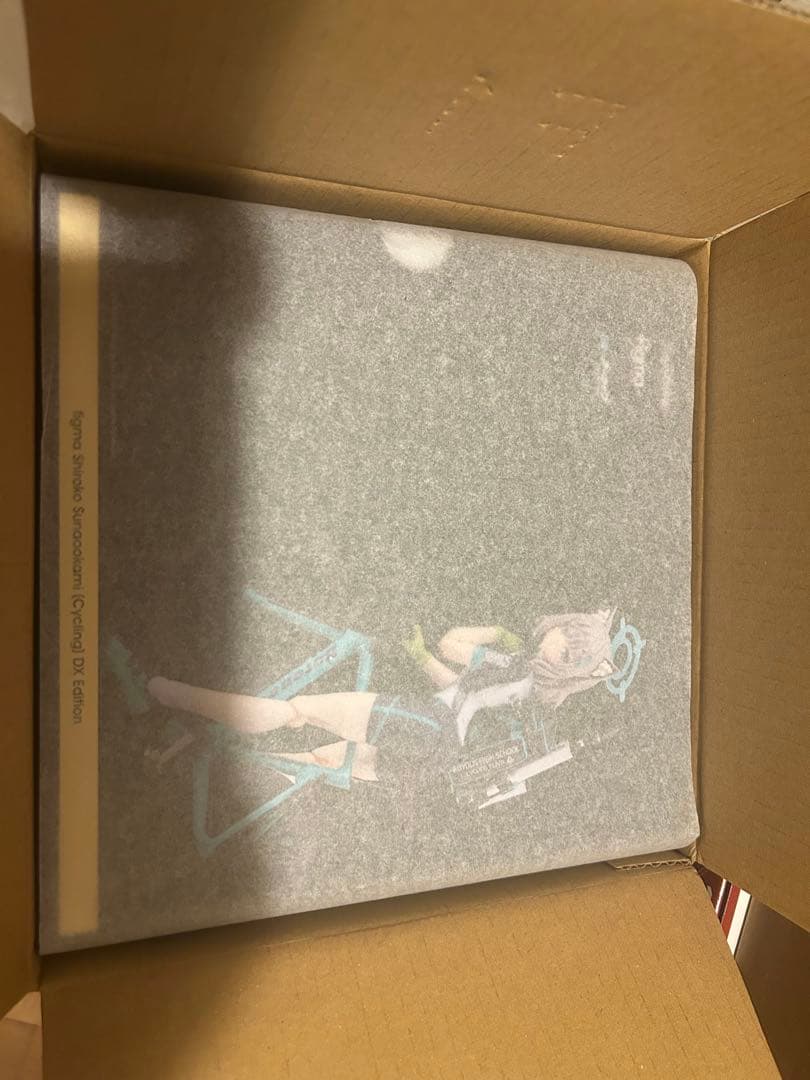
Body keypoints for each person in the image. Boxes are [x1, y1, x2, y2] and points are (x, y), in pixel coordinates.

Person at [128, 609, 618, 784]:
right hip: (436, 756)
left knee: (297, 713)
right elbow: (460, 692)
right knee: (315, 763)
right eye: (566, 635)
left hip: (427, 725)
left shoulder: (520, 669)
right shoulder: (532, 691)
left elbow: (452, 647)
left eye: (568, 648)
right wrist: (420, 655)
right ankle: (196, 747)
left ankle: (165, 692)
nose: (557, 641)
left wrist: (494, 633)